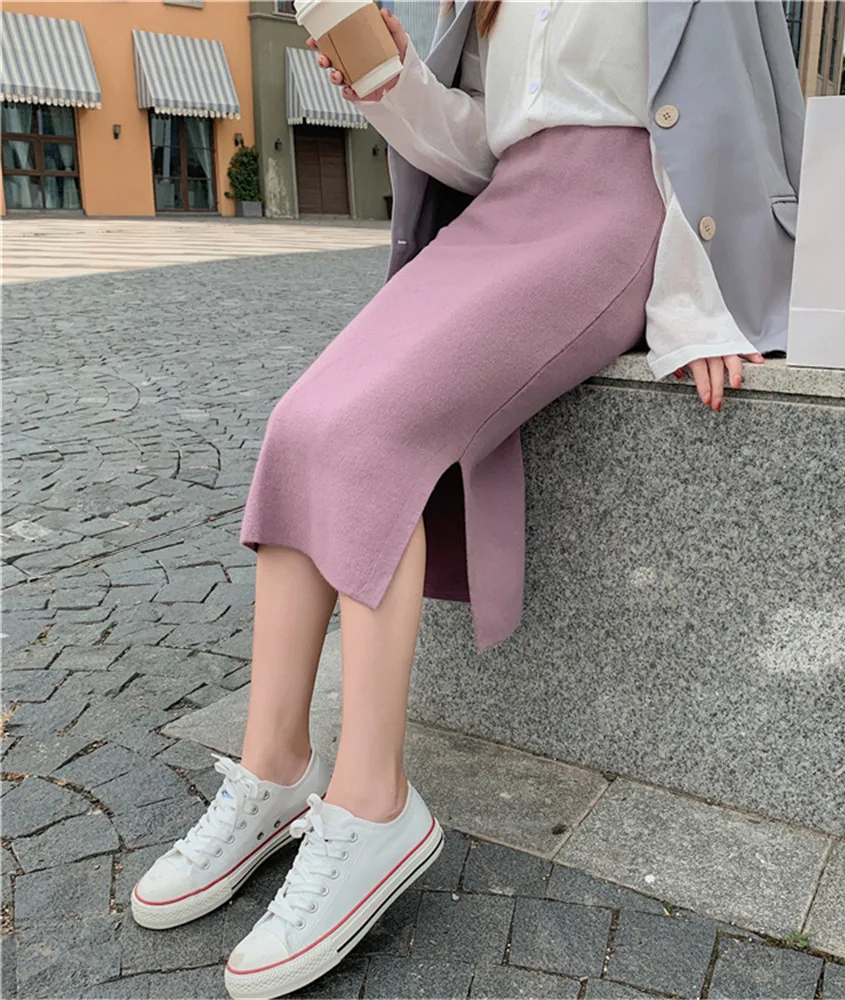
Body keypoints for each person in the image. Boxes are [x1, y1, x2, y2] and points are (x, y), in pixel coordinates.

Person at [130, 2, 804, 997]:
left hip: (618, 215)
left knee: (369, 437)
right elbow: (482, 147)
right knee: (299, 422)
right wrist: (393, 82)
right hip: (500, 215)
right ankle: (273, 768)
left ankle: (374, 806)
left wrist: (701, 305)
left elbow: (725, 111)